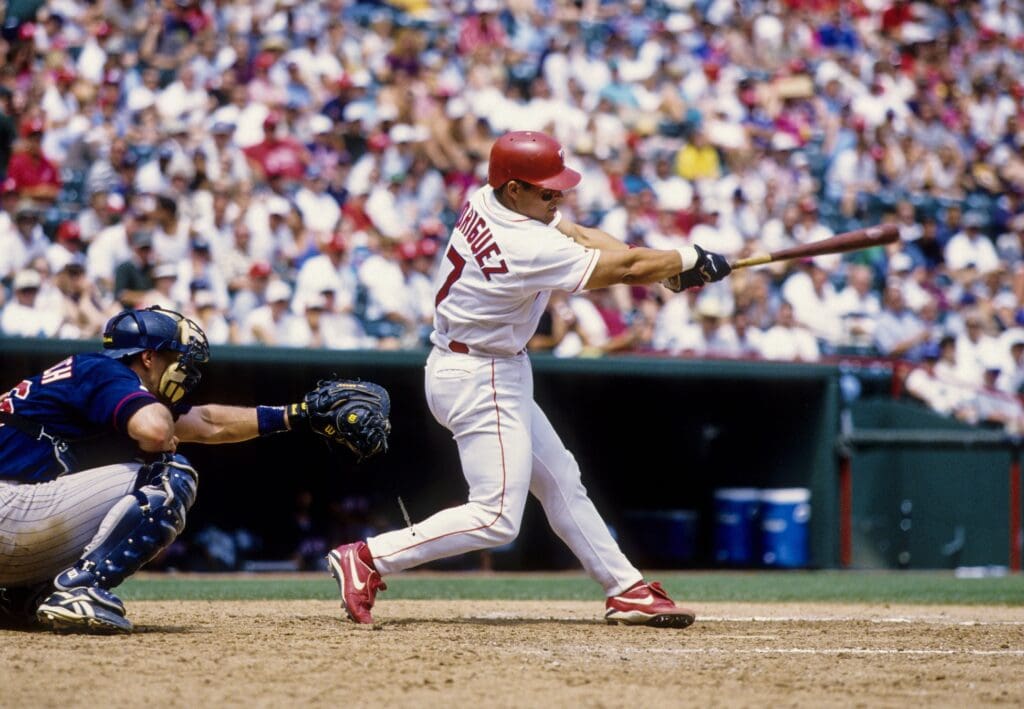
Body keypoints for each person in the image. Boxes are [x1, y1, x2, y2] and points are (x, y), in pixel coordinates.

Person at [326, 130, 731, 628]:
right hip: (481, 374)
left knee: (561, 479)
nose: (556, 196)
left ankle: (625, 589)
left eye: (557, 188)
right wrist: (685, 260)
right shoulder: (521, 243)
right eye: (546, 190)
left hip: (484, 365)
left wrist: (665, 266)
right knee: (496, 517)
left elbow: (585, 238)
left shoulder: (491, 200)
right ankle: (368, 557)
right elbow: (621, 269)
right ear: (514, 188)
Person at [0, 306, 390, 633]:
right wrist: (161, 433)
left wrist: (297, 415)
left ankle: (21, 596)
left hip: (14, 516)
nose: (185, 370)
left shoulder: (89, 380)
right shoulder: (104, 370)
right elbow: (155, 430)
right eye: (176, 358)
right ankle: (79, 589)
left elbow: (205, 423)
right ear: (148, 357)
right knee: (169, 475)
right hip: (9, 510)